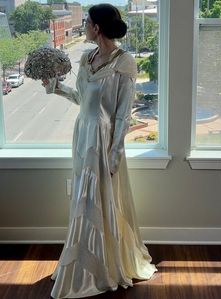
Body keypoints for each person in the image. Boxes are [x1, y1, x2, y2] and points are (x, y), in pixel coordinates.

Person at [43, 4, 157, 298]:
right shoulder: (86, 57)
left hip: (105, 140)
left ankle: (103, 264)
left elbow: (122, 115)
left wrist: (115, 153)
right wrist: (55, 87)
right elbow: (83, 99)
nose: (84, 28)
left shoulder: (125, 62)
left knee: (100, 198)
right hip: (83, 135)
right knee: (83, 195)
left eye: (87, 23)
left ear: (98, 28)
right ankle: (81, 261)